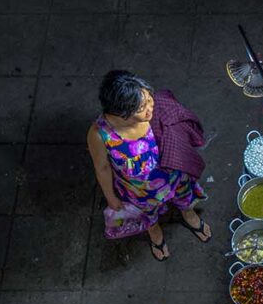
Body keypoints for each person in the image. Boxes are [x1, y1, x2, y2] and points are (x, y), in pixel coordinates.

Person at [88, 70, 212, 262]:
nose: (150, 108)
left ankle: (188, 214)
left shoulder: (157, 107)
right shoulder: (100, 134)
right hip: (139, 191)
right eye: (141, 108)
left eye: (148, 98)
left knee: (184, 197)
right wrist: (111, 197)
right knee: (148, 216)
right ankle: (154, 233)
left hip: (174, 174)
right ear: (121, 114)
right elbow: (102, 168)